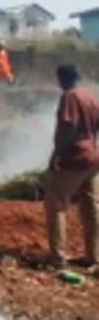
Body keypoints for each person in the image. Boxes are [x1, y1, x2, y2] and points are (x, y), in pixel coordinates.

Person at [43, 63, 99, 268]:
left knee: (55, 205)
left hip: (74, 159)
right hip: (92, 158)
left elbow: (67, 127)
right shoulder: (89, 95)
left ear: (62, 79)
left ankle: (58, 259)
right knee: (90, 207)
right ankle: (93, 256)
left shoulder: (70, 97)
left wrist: (57, 154)